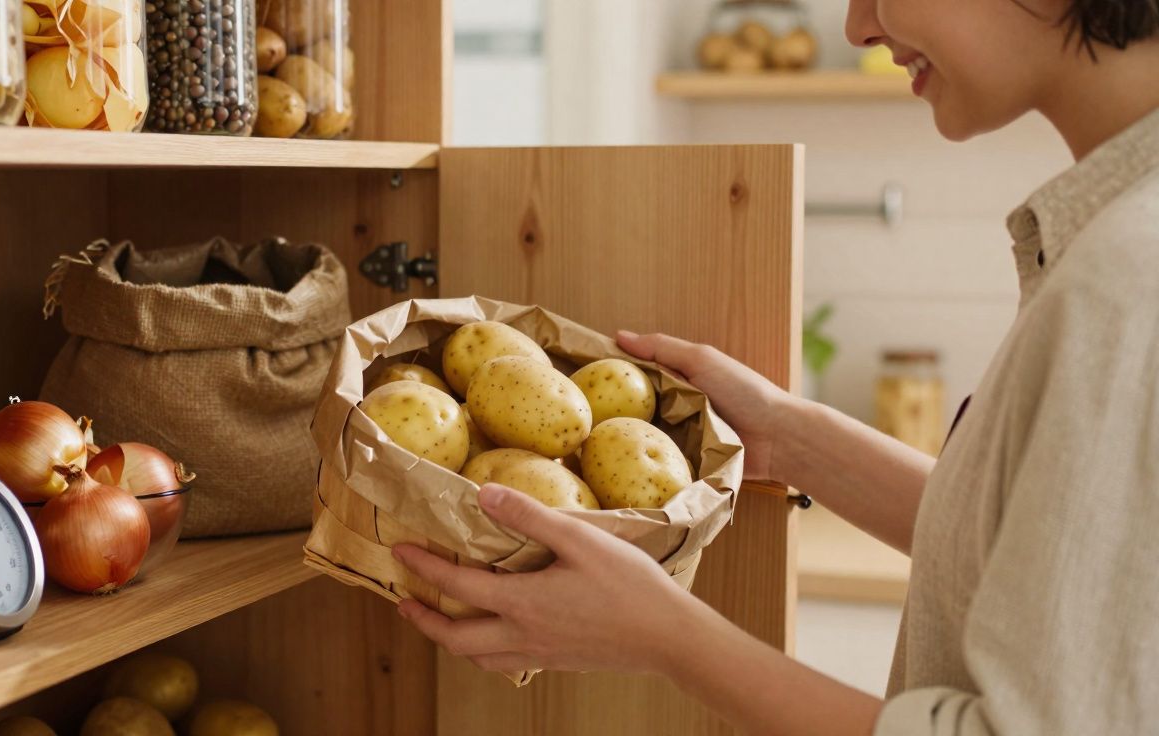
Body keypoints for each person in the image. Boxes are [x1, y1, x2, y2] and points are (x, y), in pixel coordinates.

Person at [392, 0, 1159, 732]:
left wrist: (667, 638)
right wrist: (784, 440)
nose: (859, 27)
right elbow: (1044, 555)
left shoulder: (1130, 276)